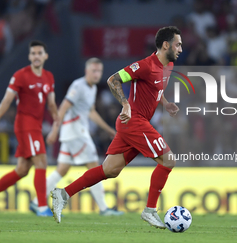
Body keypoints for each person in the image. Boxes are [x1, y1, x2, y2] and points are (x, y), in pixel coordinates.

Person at [51, 26, 182, 228]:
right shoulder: (145, 66)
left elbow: (157, 88)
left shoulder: (169, 66)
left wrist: (166, 104)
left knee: (110, 170)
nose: (181, 48)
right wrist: (126, 104)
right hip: (133, 121)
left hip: (136, 124)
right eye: (178, 44)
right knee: (168, 160)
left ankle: (63, 193)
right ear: (166, 45)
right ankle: (149, 210)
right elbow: (113, 79)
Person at [30, 58, 123, 216]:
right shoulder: (78, 86)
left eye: (99, 71)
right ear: (86, 71)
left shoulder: (92, 88)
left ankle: (35, 202)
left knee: (62, 170)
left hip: (72, 134)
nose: (96, 74)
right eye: (93, 71)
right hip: (76, 132)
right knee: (95, 168)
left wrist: (107, 129)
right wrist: (54, 130)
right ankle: (103, 208)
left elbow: (91, 112)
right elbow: (63, 108)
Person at [0, 40, 58, 217]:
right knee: (41, 161)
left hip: (36, 126)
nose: (36, 56)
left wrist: (57, 123)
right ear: (29, 56)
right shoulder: (21, 75)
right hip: (25, 125)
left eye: (39, 53)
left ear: (45, 56)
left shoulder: (49, 77)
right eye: (33, 53)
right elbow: (6, 100)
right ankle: (41, 206)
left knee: (22, 170)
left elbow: (51, 103)